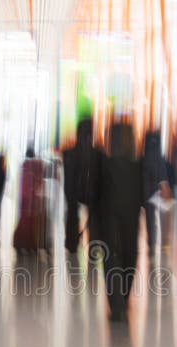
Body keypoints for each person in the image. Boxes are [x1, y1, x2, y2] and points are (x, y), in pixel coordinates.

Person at [99, 123, 143, 322]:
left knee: (110, 259)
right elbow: (144, 195)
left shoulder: (105, 165)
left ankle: (116, 304)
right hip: (131, 217)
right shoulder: (137, 166)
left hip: (108, 217)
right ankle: (123, 298)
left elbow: (96, 194)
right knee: (129, 256)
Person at [63, 118, 103, 253]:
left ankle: (71, 243)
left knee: (72, 214)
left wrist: (68, 194)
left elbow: (68, 178)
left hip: (74, 191)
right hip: (92, 192)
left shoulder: (69, 154)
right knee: (94, 217)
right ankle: (93, 245)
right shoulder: (97, 154)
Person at [13, 146, 48, 253]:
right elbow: (41, 180)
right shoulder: (39, 164)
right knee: (33, 221)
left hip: (24, 196)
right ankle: (31, 245)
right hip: (34, 196)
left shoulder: (24, 164)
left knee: (24, 219)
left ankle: (20, 244)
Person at [141, 129, 169, 255]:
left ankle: (151, 243)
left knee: (149, 218)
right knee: (156, 218)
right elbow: (162, 173)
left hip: (145, 191)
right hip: (155, 191)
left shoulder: (144, 156)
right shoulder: (159, 157)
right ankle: (157, 243)